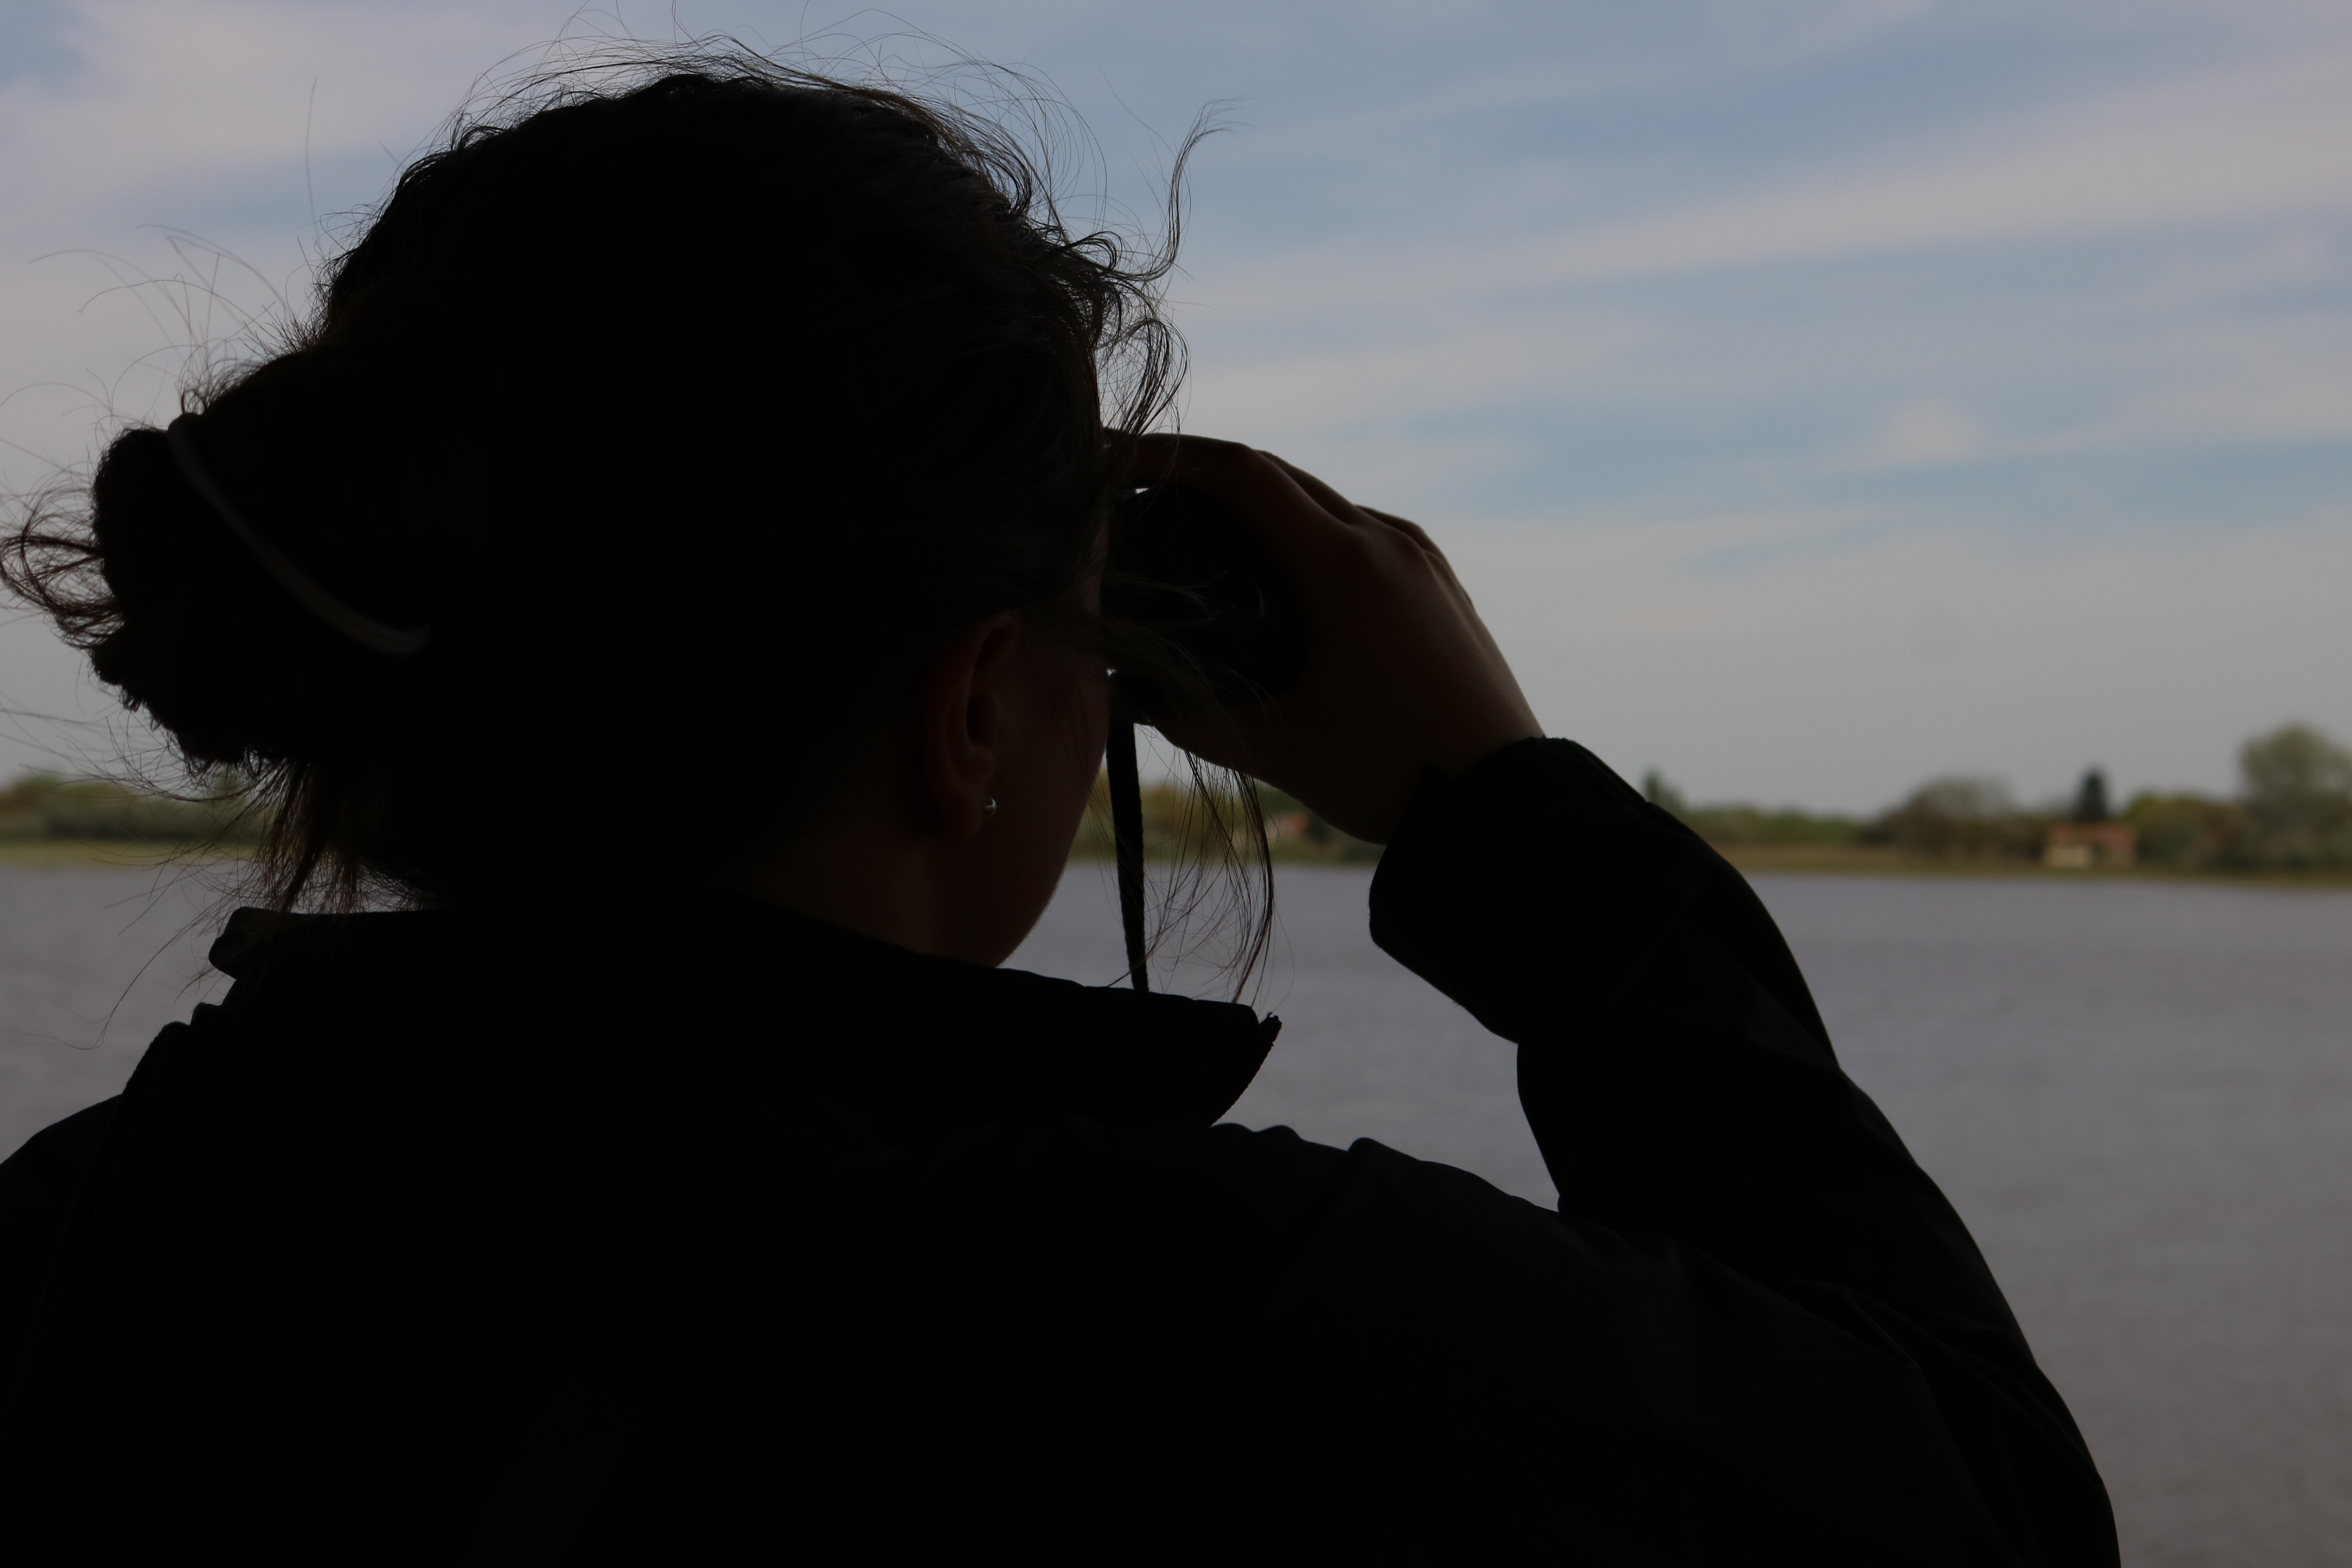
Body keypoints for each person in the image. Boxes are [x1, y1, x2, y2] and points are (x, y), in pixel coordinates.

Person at [0, 56, 2118, 1563]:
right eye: (1092, 638)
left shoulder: (83, 1227)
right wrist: (1513, 814)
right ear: (968, 716)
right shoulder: (1185, 1314)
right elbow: (1986, 1500)